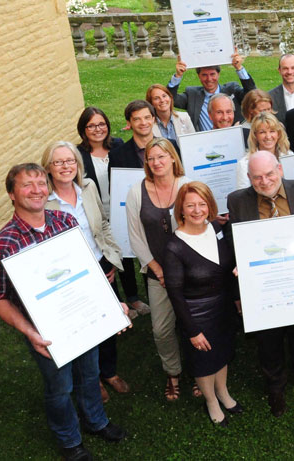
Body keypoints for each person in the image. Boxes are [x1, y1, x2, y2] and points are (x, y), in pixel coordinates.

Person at [0, 164, 128, 461]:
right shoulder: (2, 245)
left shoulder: (65, 221)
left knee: (90, 373)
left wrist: (111, 305)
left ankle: (96, 421)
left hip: (83, 315)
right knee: (60, 387)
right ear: (12, 194)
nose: (37, 190)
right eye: (27, 185)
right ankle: (69, 441)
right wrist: (30, 332)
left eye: (41, 183)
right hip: (45, 332)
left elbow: (87, 268)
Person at [226, 151, 294, 416]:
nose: (264, 181)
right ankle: (275, 385)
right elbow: (235, 239)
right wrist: (241, 262)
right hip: (263, 282)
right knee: (267, 338)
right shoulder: (237, 201)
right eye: (257, 177)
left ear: (279, 169)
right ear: (249, 178)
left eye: (269, 174)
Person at [42, 141, 128, 404]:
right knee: (84, 325)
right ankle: (93, 379)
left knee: (109, 322)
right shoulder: (45, 201)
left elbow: (103, 223)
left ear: (77, 164)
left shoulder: (88, 187)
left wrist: (111, 258)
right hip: (72, 274)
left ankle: (109, 371)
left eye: (70, 161)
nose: (65, 166)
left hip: (100, 264)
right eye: (58, 162)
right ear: (48, 167)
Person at [161, 182, 241, 426]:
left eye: (202, 204)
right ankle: (211, 401)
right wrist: (192, 330)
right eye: (190, 206)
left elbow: (228, 266)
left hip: (223, 307)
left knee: (222, 353)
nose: (197, 210)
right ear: (181, 210)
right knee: (204, 361)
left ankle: (223, 392)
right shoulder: (174, 246)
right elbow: (175, 293)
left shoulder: (216, 227)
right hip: (197, 313)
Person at [126, 138, 191, 401]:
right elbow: (135, 236)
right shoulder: (136, 192)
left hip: (189, 272)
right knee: (161, 330)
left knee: (192, 323)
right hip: (157, 274)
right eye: (151, 158)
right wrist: (158, 270)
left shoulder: (187, 186)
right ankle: (173, 371)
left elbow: (199, 227)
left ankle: (200, 370)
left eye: (161, 156)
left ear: (173, 157)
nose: (156, 162)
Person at [76, 107, 150, 319]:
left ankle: (133, 296)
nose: (97, 129)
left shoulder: (118, 145)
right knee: (110, 257)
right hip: (98, 213)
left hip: (124, 207)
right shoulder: (78, 154)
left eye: (101, 124)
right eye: (91, 126)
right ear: (83, 129)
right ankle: (117, 302)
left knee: (128, 251)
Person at [167, 52, 256, 131]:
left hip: (234, 137)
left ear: (218, 74)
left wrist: (239, 68)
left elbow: (251, 93)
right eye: (204, 75)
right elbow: (170, 99)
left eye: (212, 74)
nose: (209, 79)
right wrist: (178, 76)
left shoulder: (231, 90)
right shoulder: (192, 95)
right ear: (199, 76)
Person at [109, 100, 181, 170]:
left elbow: (180, 173)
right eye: (137, 119)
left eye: (147, 117)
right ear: (129, 123)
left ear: (153, 119)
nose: (143, 123)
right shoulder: (117, 155)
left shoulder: (171, 145)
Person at [235, 112, 293, 189]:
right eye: (262, 132)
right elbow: (243, 194)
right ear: (255, 135)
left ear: (278, 134)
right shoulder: (244, 164)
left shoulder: (289, 156)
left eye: (272, 131)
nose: (268, 136)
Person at [268, 53, 294, 123]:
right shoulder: (270, 97)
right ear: (279, 70)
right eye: (285, 68)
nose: (289, 72)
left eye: (293, 68)